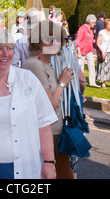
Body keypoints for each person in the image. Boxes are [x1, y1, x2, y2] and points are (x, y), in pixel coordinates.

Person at [0, 28, 57, 179]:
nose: (5, 54)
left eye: (9, 48)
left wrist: (49, 163)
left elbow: (44, 124)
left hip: (25, 169)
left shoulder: (28, 80)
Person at [23, 20, 75, 179]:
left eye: (58, 39)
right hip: (47, 134)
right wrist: (62, 83)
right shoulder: (35, 65)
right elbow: (49, 105)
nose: (55, 43)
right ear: (38, 41)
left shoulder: (47, 63)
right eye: (49, 38)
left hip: (57, 132)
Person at [75, 14, 99, 88]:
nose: (95, 24)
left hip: (89, 50)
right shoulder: (82, 29)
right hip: (82, 50)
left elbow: (90, 40)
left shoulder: (90, 29)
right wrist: (78, 51)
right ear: (90, 22)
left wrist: (97, 41)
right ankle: (80, 83)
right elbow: (78, 40)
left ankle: (92, 82)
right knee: (81, 68)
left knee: (92, 66)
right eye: (94, 23)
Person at [96, 18, 110, 89]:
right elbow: (98, 43)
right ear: (105, 25)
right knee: (104, 67)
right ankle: (103, 82)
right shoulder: (102, 32)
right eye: (108, 24)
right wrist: (102, 51)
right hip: (104, 51)